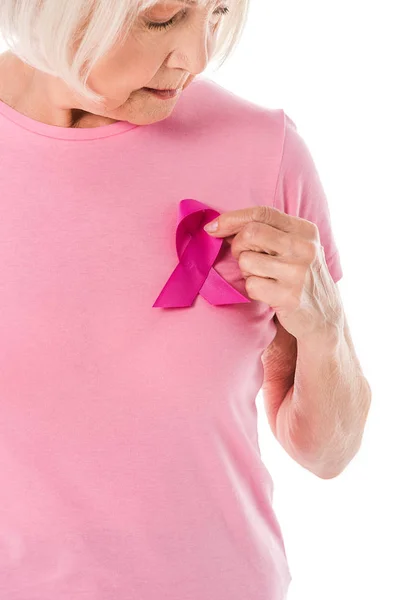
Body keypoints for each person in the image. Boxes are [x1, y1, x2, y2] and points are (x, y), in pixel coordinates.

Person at [0, 1, 371, 599]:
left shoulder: (263, 148)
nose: (195, 59)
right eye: (161, 18)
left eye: (217, 13)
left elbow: (329, 453)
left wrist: (324, 332)